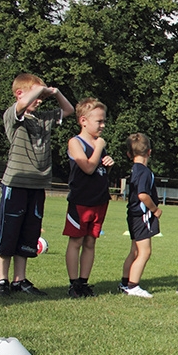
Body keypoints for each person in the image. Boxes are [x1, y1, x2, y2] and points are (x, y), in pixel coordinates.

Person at [0, 73, 74, 297]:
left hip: (37, 186)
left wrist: (54, 92)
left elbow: (68, 111)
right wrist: (40, 89)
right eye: (36, 94)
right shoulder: (13, 115)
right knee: (8, 232)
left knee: (29, 233)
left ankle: (20, 280)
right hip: (16, 183)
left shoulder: (43, 118)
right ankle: (2, 280)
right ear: (21, 93)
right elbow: (22, 104)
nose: (40, 99)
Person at [63, 98, 114, 298]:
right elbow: (88, 167)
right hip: (81, 201)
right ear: (83, 121)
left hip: (99, 200)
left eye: (104, 121)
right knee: (76, 241)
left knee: (91, 242)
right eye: (99, 121)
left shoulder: (99, 143)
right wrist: (100, 147)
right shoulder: (75, 142)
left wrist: (108, 165)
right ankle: (73, 283)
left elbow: (99, 170)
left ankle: (84, 282)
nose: (103, 125)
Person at [121, 133, 161, 298]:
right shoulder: (144, 172)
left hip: (133, 215)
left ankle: (125, 283)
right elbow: (143, 195)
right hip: (142, 215)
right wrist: (155, 210)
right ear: (149, 152)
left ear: (129, 154)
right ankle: (133, 285)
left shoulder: (134, 170)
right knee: (145, 252)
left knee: (135, 251)